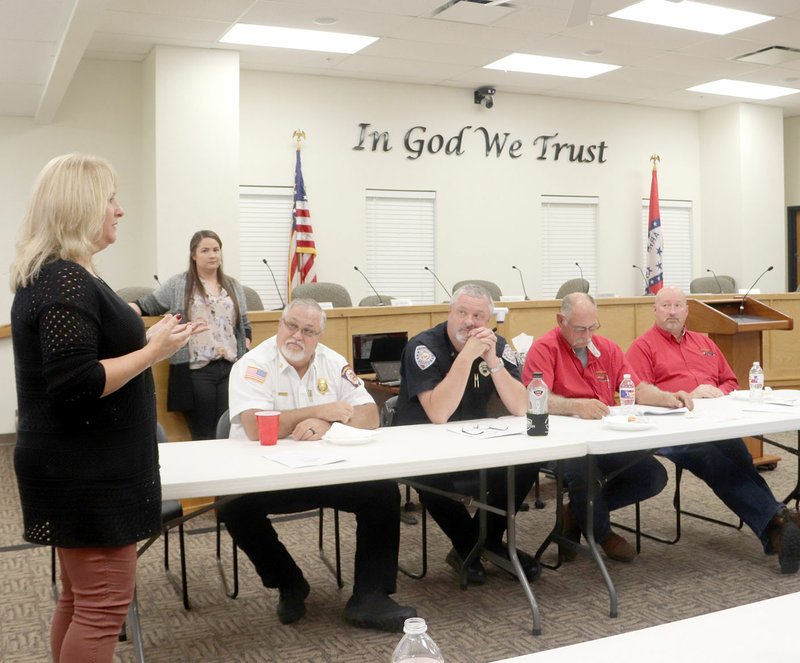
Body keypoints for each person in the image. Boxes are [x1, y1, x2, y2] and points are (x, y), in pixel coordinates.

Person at [9, 154, 198, 663]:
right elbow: (78, 384)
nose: (120, 210)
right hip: (87, 472)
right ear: (82, 207)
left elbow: (86, 361)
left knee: (80, 599)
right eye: (110, 199)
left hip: (77, 465)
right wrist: (153, 352)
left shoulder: (55, 276)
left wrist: (149, 338)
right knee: (101, 606)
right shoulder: (65, 279)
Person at [221, 298, 416, 632]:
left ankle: (371, 597)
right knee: (232, 506)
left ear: (320, 336)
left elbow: (370, 415)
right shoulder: (253, 365)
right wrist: (322, 410)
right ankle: (290, 582)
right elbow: (254, 426)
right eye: (291, 325)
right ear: (280, 325)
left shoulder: (333, 362)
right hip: (269, 474)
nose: (297, 335)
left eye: (308, 331)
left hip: (327, 469)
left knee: (383, 492)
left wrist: (330, 425)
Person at [626, 285, 800, 573]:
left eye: (678, 306)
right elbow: (637, 395)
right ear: (654, 311)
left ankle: (775, 525)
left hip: (716, 421)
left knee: (739, 455)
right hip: (672, 429)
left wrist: (717, 392)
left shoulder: (704, 342)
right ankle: (778, 523)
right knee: (712, 459)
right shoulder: (642, 347)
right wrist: (687, 395)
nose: (672, 312)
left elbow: (730, 382)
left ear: (687, 311)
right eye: (665, 306)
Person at [523, 292, 692, 562]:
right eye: (580, 329)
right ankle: (603, 533)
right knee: (583, 470)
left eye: (592, 327)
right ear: (560, 320)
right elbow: (535, 398)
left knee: (653, 476)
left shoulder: (608, 349)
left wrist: (669, 398)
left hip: (606, 439)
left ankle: (576, 513)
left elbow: (635, 388)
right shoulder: (544, 349)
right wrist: (576, 406)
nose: (587, 335)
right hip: (562, 443)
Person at [394, 284, 541, 585]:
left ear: (489, 320)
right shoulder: (423, 347)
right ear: (449, 313)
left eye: (478, 316)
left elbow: (521, 406)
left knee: (527, 461)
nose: (469, 322)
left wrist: (493, 362)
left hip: (470, 443)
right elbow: (438, 413)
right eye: (462, 313)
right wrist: (467, 357)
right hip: (419, 446)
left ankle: (475, 546)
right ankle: (475, 545)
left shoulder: (497, 346)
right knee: (430, 475)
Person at [129, 230, 252, 440]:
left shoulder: (232, 285)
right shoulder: (179, 284)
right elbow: (147, 305)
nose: (212, 255)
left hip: (230, 366)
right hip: (197, 369)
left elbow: (245, 323)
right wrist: (123, 312)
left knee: (227, 431)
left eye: (216, 250)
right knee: (203, 433)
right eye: (205, 250)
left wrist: (246, 343)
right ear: (193, 255)